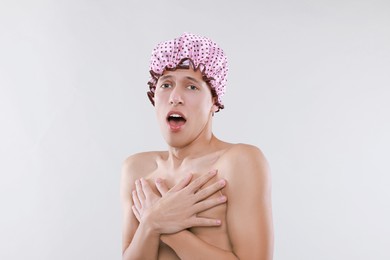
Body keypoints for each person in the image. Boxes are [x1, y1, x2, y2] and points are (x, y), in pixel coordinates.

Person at [120, 32, 274, 259]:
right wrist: (152, 222)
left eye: (191, 87)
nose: (175, 97)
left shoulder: (239, 161)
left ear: (214, 100)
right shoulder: (137, 169)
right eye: (166, 84)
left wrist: (162, 225)